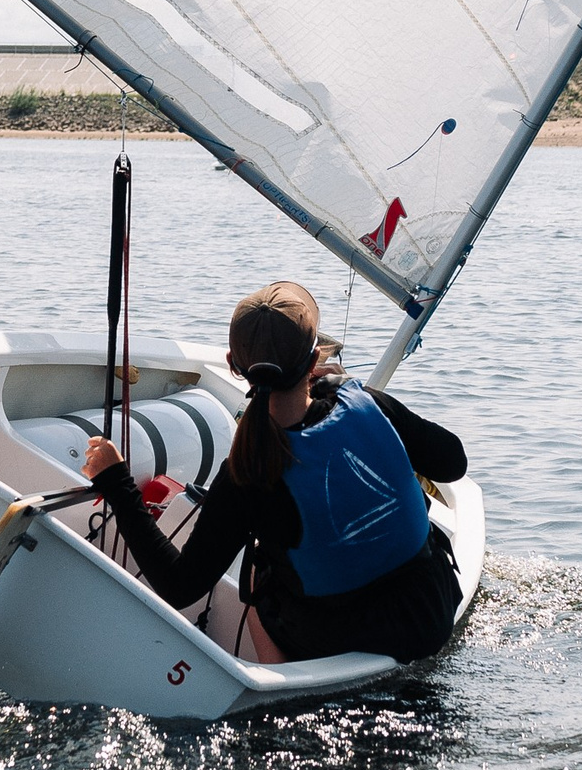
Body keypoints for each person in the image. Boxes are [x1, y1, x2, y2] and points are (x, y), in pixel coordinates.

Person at [79, 280, 466, 664]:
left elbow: (179, 586)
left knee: (254, 576)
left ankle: (282, 688)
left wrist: (117, 482)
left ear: (233, 366)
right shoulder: (368, 404)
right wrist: (348, 387)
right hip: (429, 613)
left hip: (337, 639)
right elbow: (452, 463)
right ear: (314, 362)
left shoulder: (248, 472)